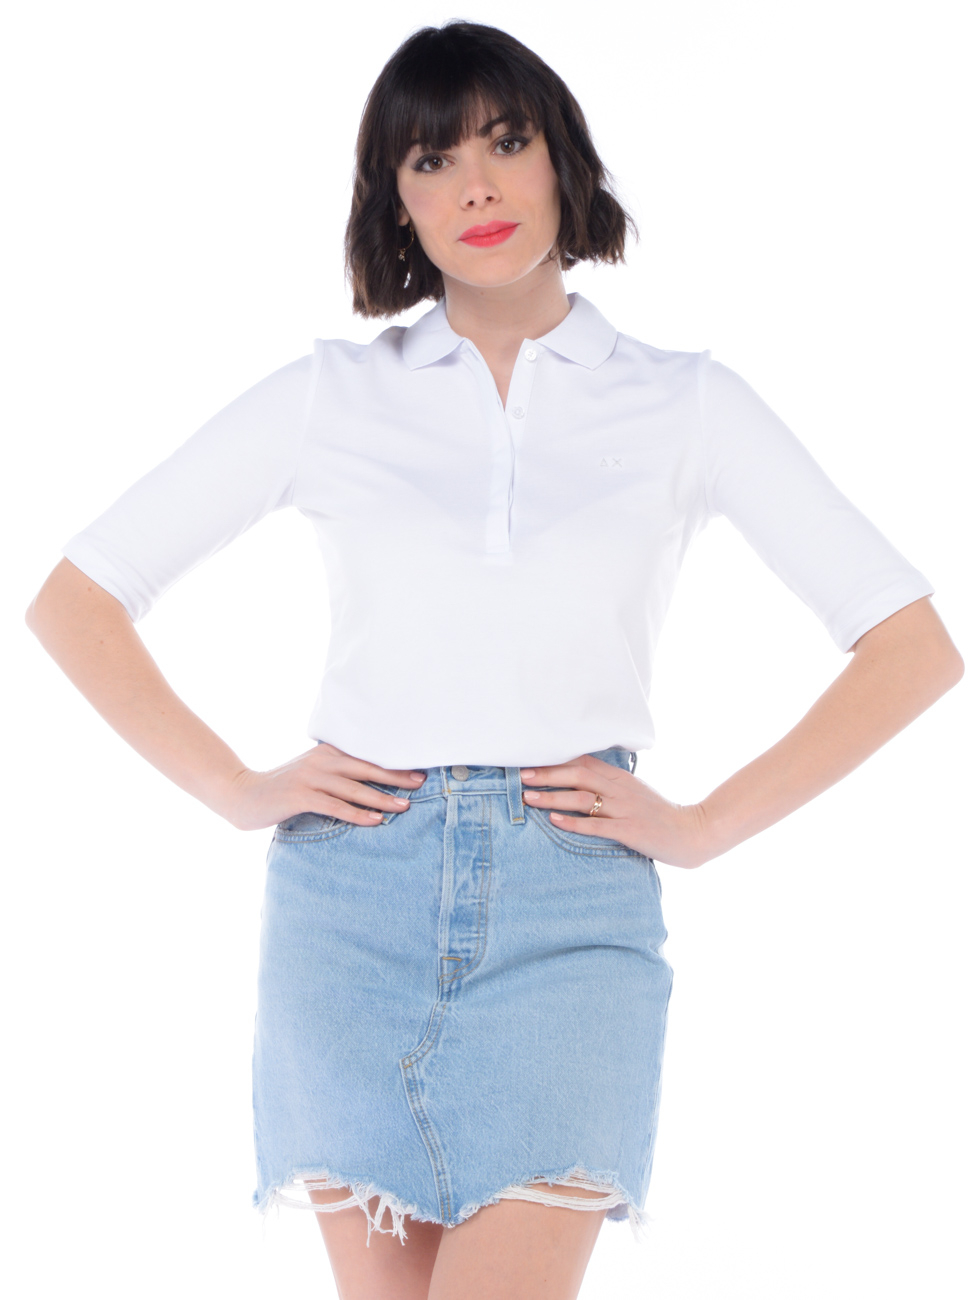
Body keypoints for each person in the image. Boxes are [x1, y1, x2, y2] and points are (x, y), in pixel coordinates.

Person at [25, 19, 963, 1300]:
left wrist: (701, 825)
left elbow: (910, 645)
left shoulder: (684, 399)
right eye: (432, 160)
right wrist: (235, 787)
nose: (475, 186)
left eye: (506, 144)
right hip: (350, 905)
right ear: (396, 203)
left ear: (562, 162)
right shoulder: (333, 393)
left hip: (571, 910)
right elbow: (77, 599)